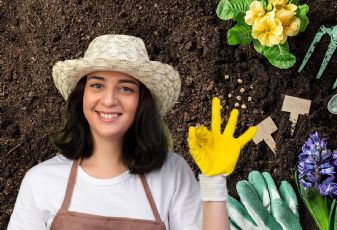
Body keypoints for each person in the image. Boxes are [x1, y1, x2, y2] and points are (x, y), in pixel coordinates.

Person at [7, 34, 256, 230]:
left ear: (142, 102)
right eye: (97, 85)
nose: (109, 100)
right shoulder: (41, 181)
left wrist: (214, 181)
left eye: (125, 88)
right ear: (82, 96)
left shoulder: (172, 174)